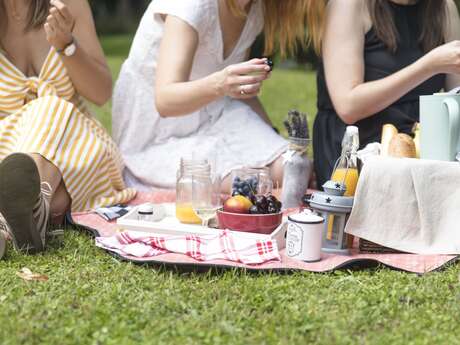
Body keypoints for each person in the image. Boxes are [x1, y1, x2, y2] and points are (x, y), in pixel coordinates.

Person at [112, 0, 324, 191]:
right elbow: (165, 100)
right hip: (156, 132)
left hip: (214, 113)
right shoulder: (191, 5)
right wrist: (220, 84)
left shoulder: (254, 10)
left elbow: (240, 90)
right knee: (258, 185)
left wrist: (274, 140)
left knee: (294, 169)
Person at [0, 0, 136, 254]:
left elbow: (101, 92)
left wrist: (67, 45)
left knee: (49, 106)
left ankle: (6, 223)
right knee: (42, 187)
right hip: (9, 144)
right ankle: (32, 214)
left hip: (78, 142)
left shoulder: (67, 5)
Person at [313, 0, 460, 187]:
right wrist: (428, 66)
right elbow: (348, 106)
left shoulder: (443, 7)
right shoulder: (350, 5)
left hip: (424, 154)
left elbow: (456, 95)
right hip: (358, 154)